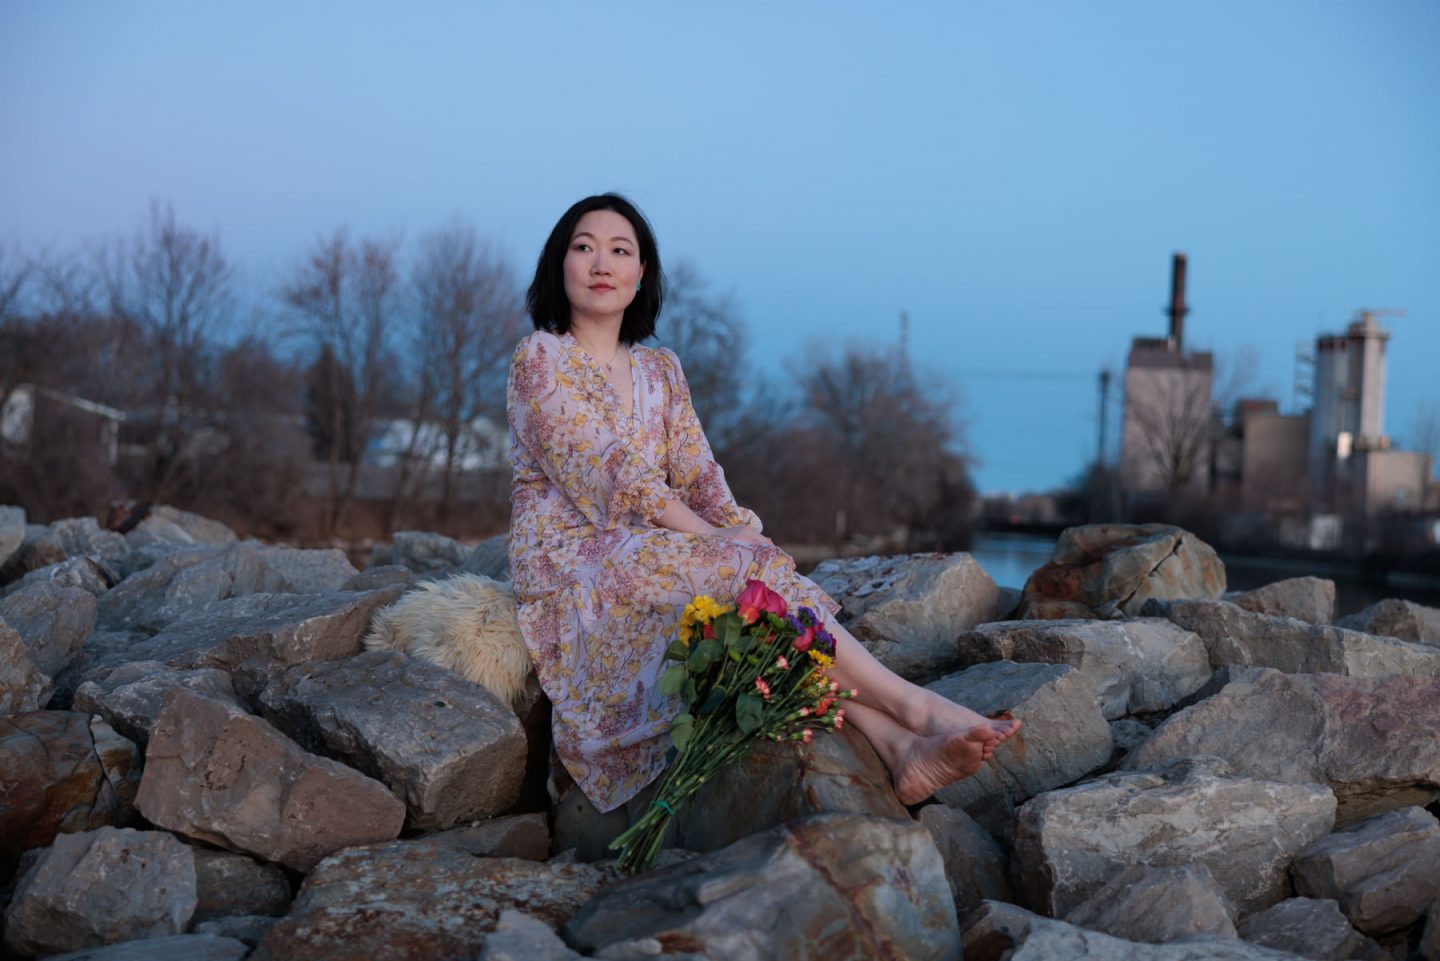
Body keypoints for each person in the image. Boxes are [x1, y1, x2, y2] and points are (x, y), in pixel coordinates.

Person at [506, 193, 1018, 814]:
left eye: (620, 250)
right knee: (736, 579)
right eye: (583, 247)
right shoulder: (540, 358)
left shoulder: (660, 369)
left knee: (755, 590)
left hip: (657, 548)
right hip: (574, 559)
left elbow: (697, 470)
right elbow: (608, 469)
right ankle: (915, 706)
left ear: (642, 275)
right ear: (558, 265)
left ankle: (895, 747)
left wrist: (742, 532)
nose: (600, 263)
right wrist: (709, 540)